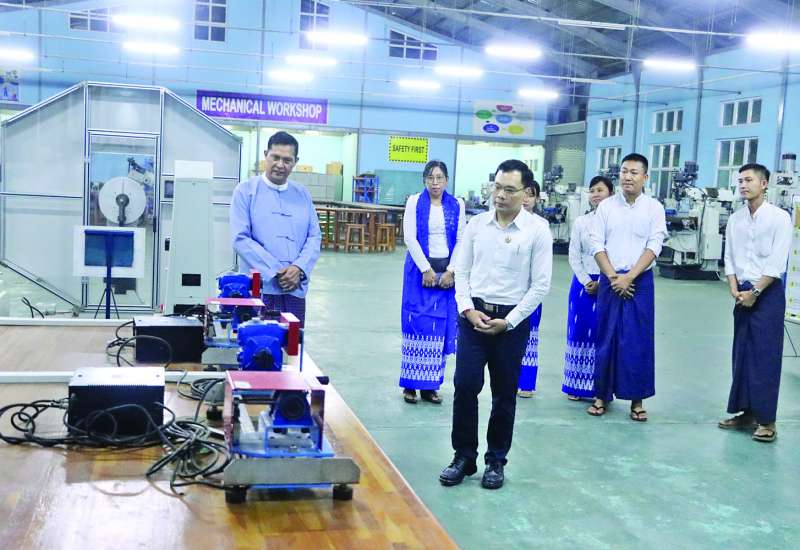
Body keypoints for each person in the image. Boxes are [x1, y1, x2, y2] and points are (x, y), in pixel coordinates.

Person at [439, 160, 552, 490]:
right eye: (497, 187)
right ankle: (464, 456)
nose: (500, 195)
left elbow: (540, 285)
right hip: (473, 319)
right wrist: (467, 310)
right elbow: (462, 272)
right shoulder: (476, 225)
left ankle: (496, 460)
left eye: (509, 190)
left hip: (511, 325)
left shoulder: (537, 230)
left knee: (504, 394)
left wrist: (510, 321)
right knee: (465, 386)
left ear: (526, 193)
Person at [587, 153, 667, 420]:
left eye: (634, 172)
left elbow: (654, 245)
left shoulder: (654, 208)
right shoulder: (606, 207)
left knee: (637, 339)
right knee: (606, 336)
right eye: (624, 172)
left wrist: (630, 277)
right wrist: (613, 277)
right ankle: (601, 395)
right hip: (610, 279)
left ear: (645, 177)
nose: (627, 177)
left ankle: (637, 400)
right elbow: (596, 244)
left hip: (639, 281)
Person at [718, 163, 792, 443]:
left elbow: (776, 262)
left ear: (764, 184)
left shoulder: (779, 218)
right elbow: (729, 256)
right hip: (742, 292)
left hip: (767, 294)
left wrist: (756, 292)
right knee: (742, 354)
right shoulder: (736, 219)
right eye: (740, 181)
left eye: (749, 180)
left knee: (765, 356)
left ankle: (766, 420)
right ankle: (746, 413)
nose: (743, 185)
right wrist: (734, 287)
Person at [229, 131, 321, 326]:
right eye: (275, 157)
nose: (280, 165)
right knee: (258, 340)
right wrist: (276, 271)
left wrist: (299, 268)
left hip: (294, 289)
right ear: (266, 155)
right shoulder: (245, 191)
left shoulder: (302, 194)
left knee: (293, 341)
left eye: (287, 160)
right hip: (259, 289)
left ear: (295, 162)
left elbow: (314, 237)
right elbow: (240, 238)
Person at [400, 160, 465, 404]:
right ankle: (410, 385)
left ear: (446, 180)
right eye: (430, 178)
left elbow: (461, 240)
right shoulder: (414, 202)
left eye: (439, 178)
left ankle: (430, 387)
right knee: (416, 325)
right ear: (424, 180)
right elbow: (410, 238)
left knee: (439, 328)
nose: (435, 183)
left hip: (446, 276)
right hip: (419, 273)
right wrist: (426, 269)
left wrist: (451, 271)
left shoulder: (457, 204)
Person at [562, 176, 614, 401]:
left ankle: (599, 388)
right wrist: (586, 281)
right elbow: (574, 254)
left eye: (600, 190)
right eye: (592, 190)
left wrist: (604, 281)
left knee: (603, 334)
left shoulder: (616, 223)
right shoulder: (581, 222)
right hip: (582, 284)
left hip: (610, 282)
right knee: (579, 330)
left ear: (611, 193)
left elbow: (618, 254)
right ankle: (575, 386)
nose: (595, 194)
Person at [516, 180, 547, 398]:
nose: (526, 198)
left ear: (536, 199)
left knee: (530, 336)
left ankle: (526, 383)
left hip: (532, 290)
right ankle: (508, 379)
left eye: (531, 194)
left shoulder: (541, 225)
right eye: (523, 193)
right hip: (509, 289)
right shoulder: (507, 220)